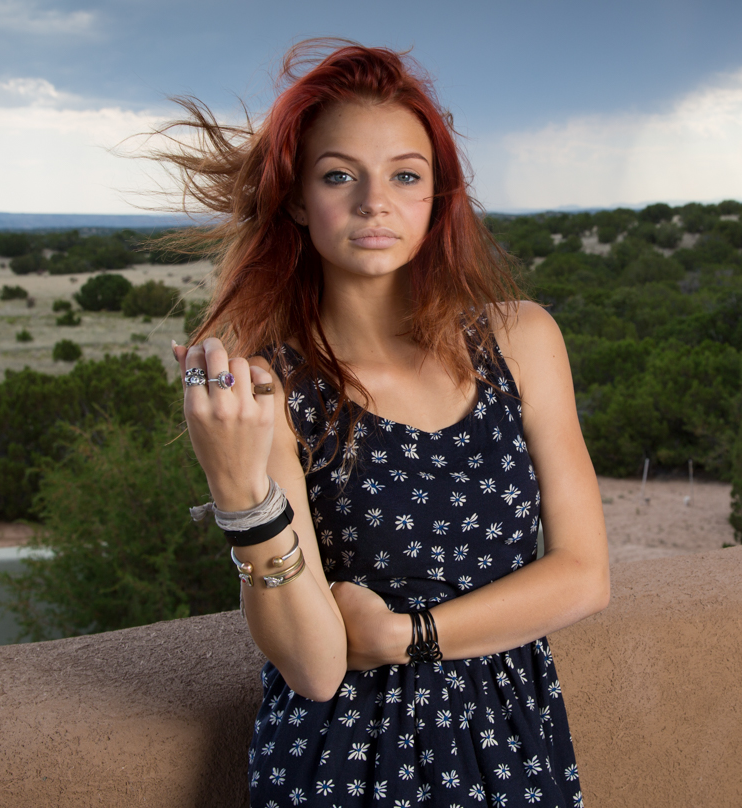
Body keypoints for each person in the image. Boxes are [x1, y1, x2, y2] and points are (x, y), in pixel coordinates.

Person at [166, 40, 609, 807]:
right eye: (341, 175)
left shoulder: (523, 341)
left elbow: (585, 576)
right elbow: (312, 665)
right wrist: (239, 490)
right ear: (300, 200)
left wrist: (408, 637)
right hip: (346, 767)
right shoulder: (275, 388)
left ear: (438, 197)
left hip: (517, 747)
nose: (376, 202)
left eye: (406, 175)